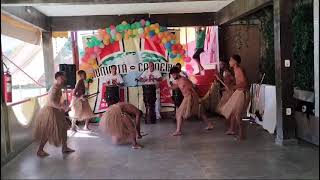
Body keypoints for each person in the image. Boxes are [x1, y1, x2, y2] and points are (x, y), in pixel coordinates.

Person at [33, 71, 75, 157]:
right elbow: (51, 102)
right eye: (63, 78)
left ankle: (65, 147)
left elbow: (56, 101)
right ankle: (40, 150)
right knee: (48, 131)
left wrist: (62, 106)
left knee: (64, 128)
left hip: (56, 111)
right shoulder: (55, 88)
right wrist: (62, 107)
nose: (65, 79)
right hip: (50, 112)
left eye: (65, 78)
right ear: (58, 78)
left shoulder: (58, 87)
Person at [169, 66, 213, 136]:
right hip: (186, 97)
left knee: (179, 113)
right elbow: (175, 86)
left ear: (178, 73)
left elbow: (193, 88)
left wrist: (197, 99)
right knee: (200, 112)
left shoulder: (184, 80)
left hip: (191, 97)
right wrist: (168, 88)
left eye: (174, 74)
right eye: (172, 75)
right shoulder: (178, 80)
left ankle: (178, 131)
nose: (173, 76)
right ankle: (209, 124)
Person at [219, 54, 249, 140]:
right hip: (238, 92)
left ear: (235, 62)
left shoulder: (239, 70)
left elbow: (244, 83)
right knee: (234, 113)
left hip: (242, 92)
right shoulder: (235, 70)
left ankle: (242, 135)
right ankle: (239, 133)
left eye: (231, 60)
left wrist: (233, 87)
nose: (229, 62)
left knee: (238, 114)